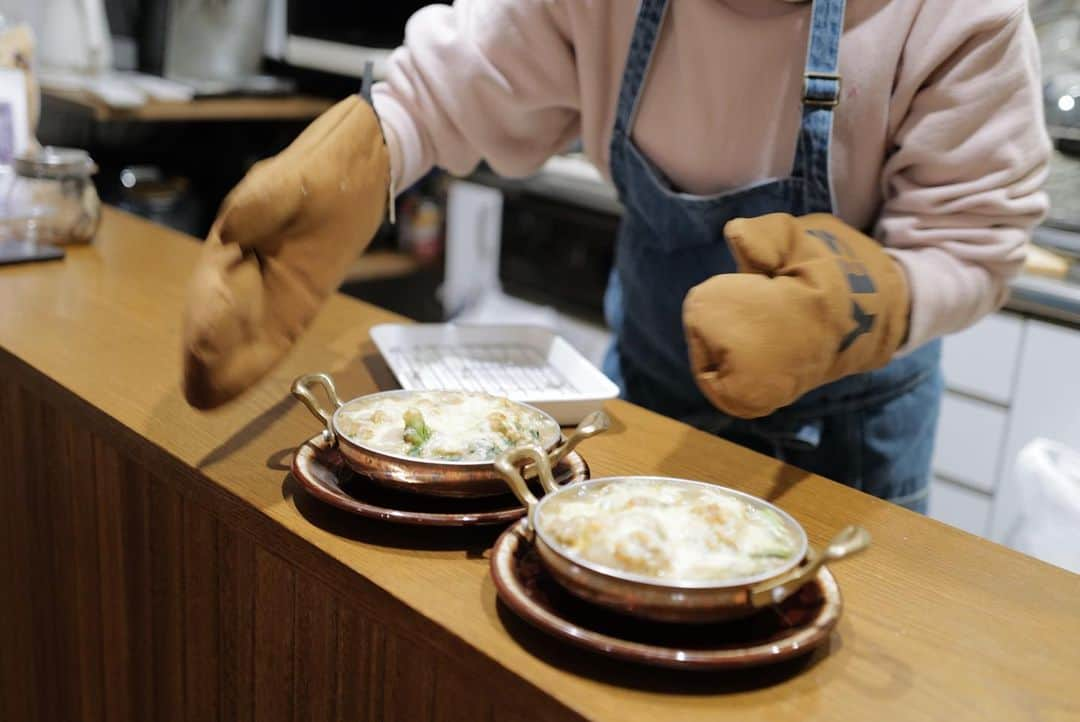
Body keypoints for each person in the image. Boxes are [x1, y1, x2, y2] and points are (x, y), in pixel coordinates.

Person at [182, 0, 1050, 513]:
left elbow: (973, 241)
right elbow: (461, 79)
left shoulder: (955, 14)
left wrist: (866, 303)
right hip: (648, 395)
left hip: (848, 444)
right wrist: (368, 150)